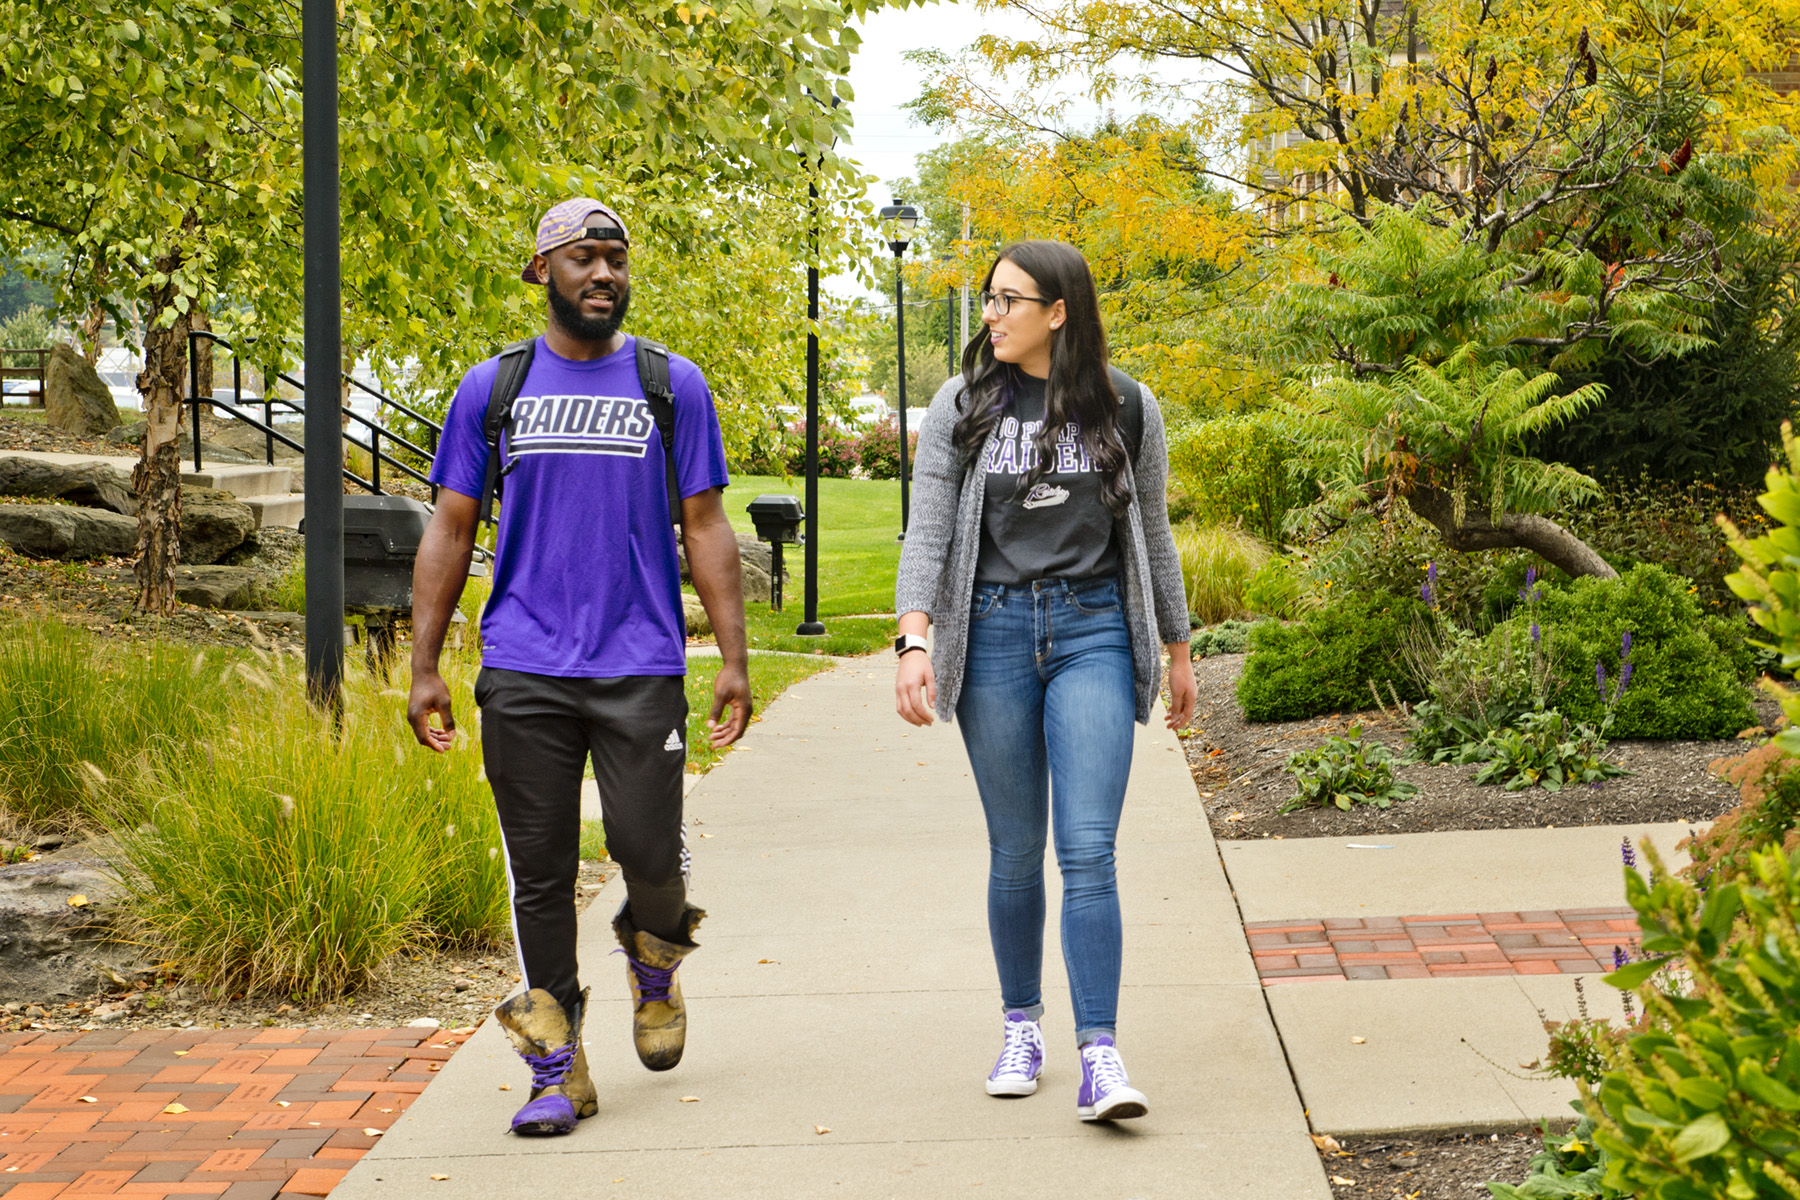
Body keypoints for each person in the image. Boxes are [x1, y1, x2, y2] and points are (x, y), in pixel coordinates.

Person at [406, 198, 751, 1137]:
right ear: (543, 272)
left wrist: (732, 657)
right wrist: (425, 663)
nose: (604, 274)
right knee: (540, 869)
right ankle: (556, 1066)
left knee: (649, 854)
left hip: (639, 662)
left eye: (616, 260)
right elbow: (449, 526)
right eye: (584, 259)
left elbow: (707, 525)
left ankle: (654, 960)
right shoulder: (494, 387)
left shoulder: (670, 382)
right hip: (523, 663)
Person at [893, 240, 1195, 1122]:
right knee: (1017, 849)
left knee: (1089, 850)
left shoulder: (1129, 405)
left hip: (1094, 629)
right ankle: (1019, 1024)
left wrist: (1176, 650)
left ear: (1058, 312)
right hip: (990, 633)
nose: (991, 314)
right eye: (989, 300)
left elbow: (1156, 535)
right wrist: (915, 640)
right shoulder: (964, 401)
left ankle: (1100, 1054)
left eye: (1008, 301)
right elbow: (929, 531)